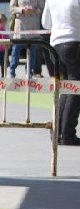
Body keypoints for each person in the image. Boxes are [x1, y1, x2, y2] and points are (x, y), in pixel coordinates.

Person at [42, 0, 80, 145]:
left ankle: (57, 132)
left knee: (65, 86)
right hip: (74, 41)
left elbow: (46, 23)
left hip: (55, 44)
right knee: (75, 88)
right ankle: (68, 133)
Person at [8, 0, 45, 78]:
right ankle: (12, 72)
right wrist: (21, 10)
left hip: (34, 27)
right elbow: (11, 8)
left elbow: (43, 8)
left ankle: (29, 72)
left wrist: (34, 10)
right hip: (20, 28)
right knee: (16, 51)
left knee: (33, 52)